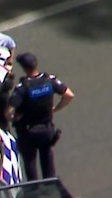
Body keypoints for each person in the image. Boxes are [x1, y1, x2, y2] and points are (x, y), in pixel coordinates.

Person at [5, 52, 74, 181]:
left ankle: (34, 190)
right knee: (47, 159)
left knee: (30, 164)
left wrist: (14, 118)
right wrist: (55, 109)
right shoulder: (49, 81)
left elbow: (8, 112)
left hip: (28, 132)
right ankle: (50, 188)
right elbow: (69, 95)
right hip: (46, 129)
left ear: (24, 68)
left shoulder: (22, 88)